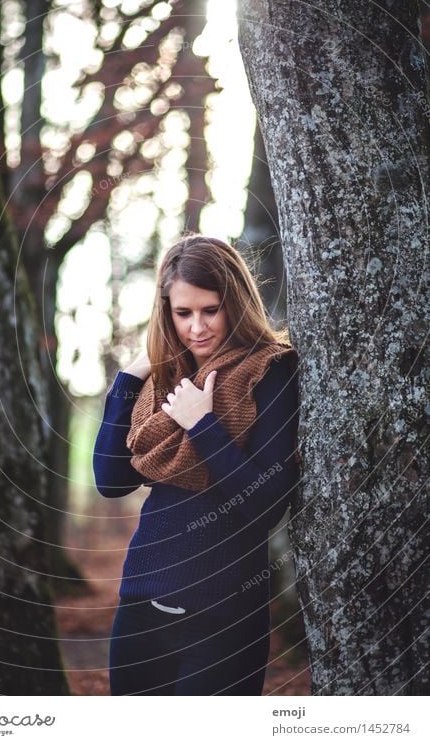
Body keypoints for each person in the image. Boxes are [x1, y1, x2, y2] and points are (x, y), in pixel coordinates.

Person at [92, 234, 301, 695]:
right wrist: (129, 377)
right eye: (182, 313)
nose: (197, 328)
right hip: (142, 601)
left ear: (237, 302)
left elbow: (266, 505)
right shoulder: (165, 377)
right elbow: (110, 481)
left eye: (211, 310)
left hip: (223, 612)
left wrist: (202, 425)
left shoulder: (270, 373)